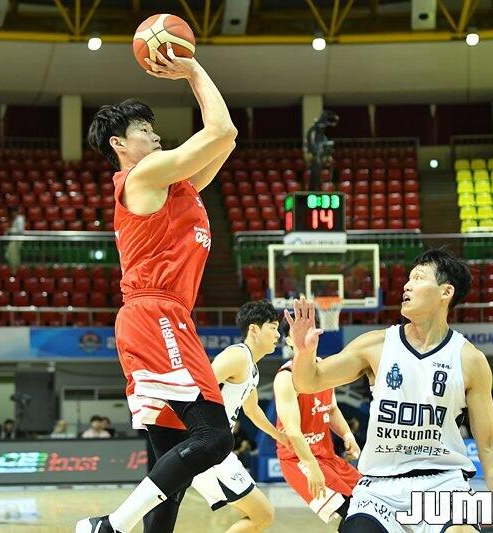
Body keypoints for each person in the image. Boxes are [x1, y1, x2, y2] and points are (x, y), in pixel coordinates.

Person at [77, 40, 237, 533]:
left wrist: (195, 76)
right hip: (155, 313)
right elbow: (220, 129)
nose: (155, 135)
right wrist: (192, 70)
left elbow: (227, 141)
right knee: (213, 438)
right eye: (143, 131)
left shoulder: (175, 187)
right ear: (119, 145)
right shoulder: (142, 175)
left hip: (160, 316)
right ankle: (110, 526)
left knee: (173, 467)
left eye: (153, 128)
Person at [286, 248, 493, 533]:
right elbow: (308, 382)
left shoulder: (469, 359)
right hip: (379, 488)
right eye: (408, 279)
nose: (407, 285)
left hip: (443, 484)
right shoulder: (375, 345)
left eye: (418, 278)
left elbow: (489, 443)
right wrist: (303, 353)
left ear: (446, 292)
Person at [173, 299, 287, 533]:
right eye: (273, 327)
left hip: (219, 448)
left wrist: (279, 436)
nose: (278, 335)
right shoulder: (236, 356)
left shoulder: (252, 368)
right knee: (263, 515)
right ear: (254, 329)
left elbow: (252, 410)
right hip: (206, 446)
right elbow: (196, 388)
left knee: (260, 517)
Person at [274, 313, 362, 527]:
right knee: (354, 513)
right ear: (289, 340)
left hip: (327, 456)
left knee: (366, 502)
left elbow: (332, 409)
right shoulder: (286, 377)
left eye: (310, 330)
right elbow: (292, 431)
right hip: (300, 459)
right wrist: (311, 466)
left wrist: (347, 435)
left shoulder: (325, 368)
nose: (306, 336)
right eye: (299, 332)